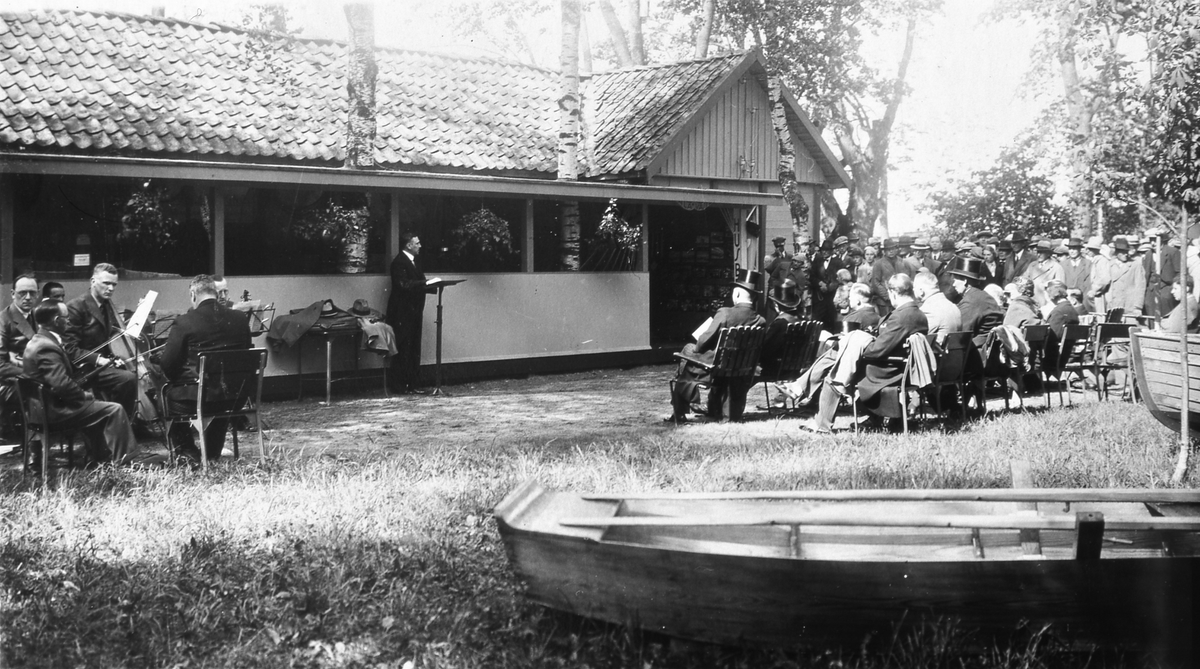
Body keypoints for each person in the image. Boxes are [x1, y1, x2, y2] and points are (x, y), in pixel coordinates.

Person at [799, 274, 928, 433]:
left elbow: (877, 350)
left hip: (887, 371)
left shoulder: (902, 316)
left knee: (836, 373)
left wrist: (858, 344)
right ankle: (800, 388)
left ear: (893, 293)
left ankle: (821, 424)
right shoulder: (918, 314)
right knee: (842, 353)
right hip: (900, 368)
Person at [23, 299, 139, 466]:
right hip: (55, 412)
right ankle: (124, 462)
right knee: (115, 409)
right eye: (66, 318)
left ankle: (101, 455)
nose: (69, 322)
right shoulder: (46, 346)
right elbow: (62, 384)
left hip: (43, 408)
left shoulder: (38, 340)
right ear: (57, 321)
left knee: (100, 405)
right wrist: (85, 396)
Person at [158, 275, 253, 463]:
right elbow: (246, 355)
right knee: (219, 394)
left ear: (193, 294)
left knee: (168, 396)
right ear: (216, 293)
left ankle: (187, 451)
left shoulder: (184, 322)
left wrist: (180, 376)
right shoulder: (240, 318)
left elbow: (168, 364)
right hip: (237, 397)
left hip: (201, 398)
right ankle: (211, 453)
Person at [667, 270, 766, 423]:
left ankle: (680, 409)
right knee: (688, 352)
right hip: (740, 369)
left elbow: (702, 343)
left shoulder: (724, 313)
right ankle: (698, 403)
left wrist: (698, 347)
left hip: (716, 367)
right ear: (753, 297)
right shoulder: (760, 321)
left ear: (737, 294)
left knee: (688, 350)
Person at [64, 263, 138, 419]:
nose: (110, 288)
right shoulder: (75, 307)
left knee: (133, 372)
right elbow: (70, 349)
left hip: (102, 365)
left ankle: (126, 419)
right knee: (128, 379)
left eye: (114, 285)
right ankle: (117, 421)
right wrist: (99, 360)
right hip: (84, 369)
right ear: (93, 281)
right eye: (106, 283)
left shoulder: (106, 305)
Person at [386, 232, 437, 394]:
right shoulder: (399, 262)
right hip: (402, 312)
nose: (420, 246)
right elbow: (403, 284)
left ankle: (412, 384)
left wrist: (431, 285)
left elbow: (415, 283)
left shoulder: (414, 262)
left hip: (414, 311)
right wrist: (426, 283)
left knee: (413, 347)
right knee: (403, 347)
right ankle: (400, 385)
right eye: (417, 243)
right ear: (409, 245)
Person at [949, 257, 1004, 346]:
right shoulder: (982, 295)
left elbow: (961, 332)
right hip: (989, 347)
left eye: (955, 280)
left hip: (976, 350)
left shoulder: (971, 301)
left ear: (964, 281)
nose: (953, 284)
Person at [760, 278, 803, 382]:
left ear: (776, 305)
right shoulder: (801, 320)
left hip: (776, 369)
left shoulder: (780, 323)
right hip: (795, 369)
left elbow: (766, 349)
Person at [1100, 238, 1146, 317]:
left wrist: (1138, 307)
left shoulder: (1135, 265)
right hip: (1113, 306)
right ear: (1116, 252)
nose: (1126, 254)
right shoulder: (1109, 264)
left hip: (1129, 306)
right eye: (1123, 252)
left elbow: (1140, 287)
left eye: (1126, 251)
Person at [1, 275, 39, 365]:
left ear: (38, 294)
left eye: (32, 293)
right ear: (13, 294)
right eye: (22, 293)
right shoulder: (3, 320)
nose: (28, 297)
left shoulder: (39, 314)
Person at [914, 271, 961, 344]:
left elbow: (917, 339)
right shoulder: (953, 306)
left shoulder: (929, 310)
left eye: (914, 287)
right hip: (952, 350)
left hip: (935, 351)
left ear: (921, 291)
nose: (913, 290)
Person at [1021, 240, 1065, 307]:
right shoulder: (1032, 265)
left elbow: (1060, 289)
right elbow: (1024, 279)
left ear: (1048, 254)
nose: (1039, 255)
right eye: (1038, 252)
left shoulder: (1056, 267)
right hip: (1032, 301)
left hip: (1047, 302)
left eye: (1042, 253)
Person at [869, 238, 904, 317]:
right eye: (888, 249)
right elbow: (876, 283)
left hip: (900, 299)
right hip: (885, 302)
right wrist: (888, 296)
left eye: (893, 249)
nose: (891, 251)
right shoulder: (879, 264)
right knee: (887, 320)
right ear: (884, 251)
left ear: (896, 249)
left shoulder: (901, 261)